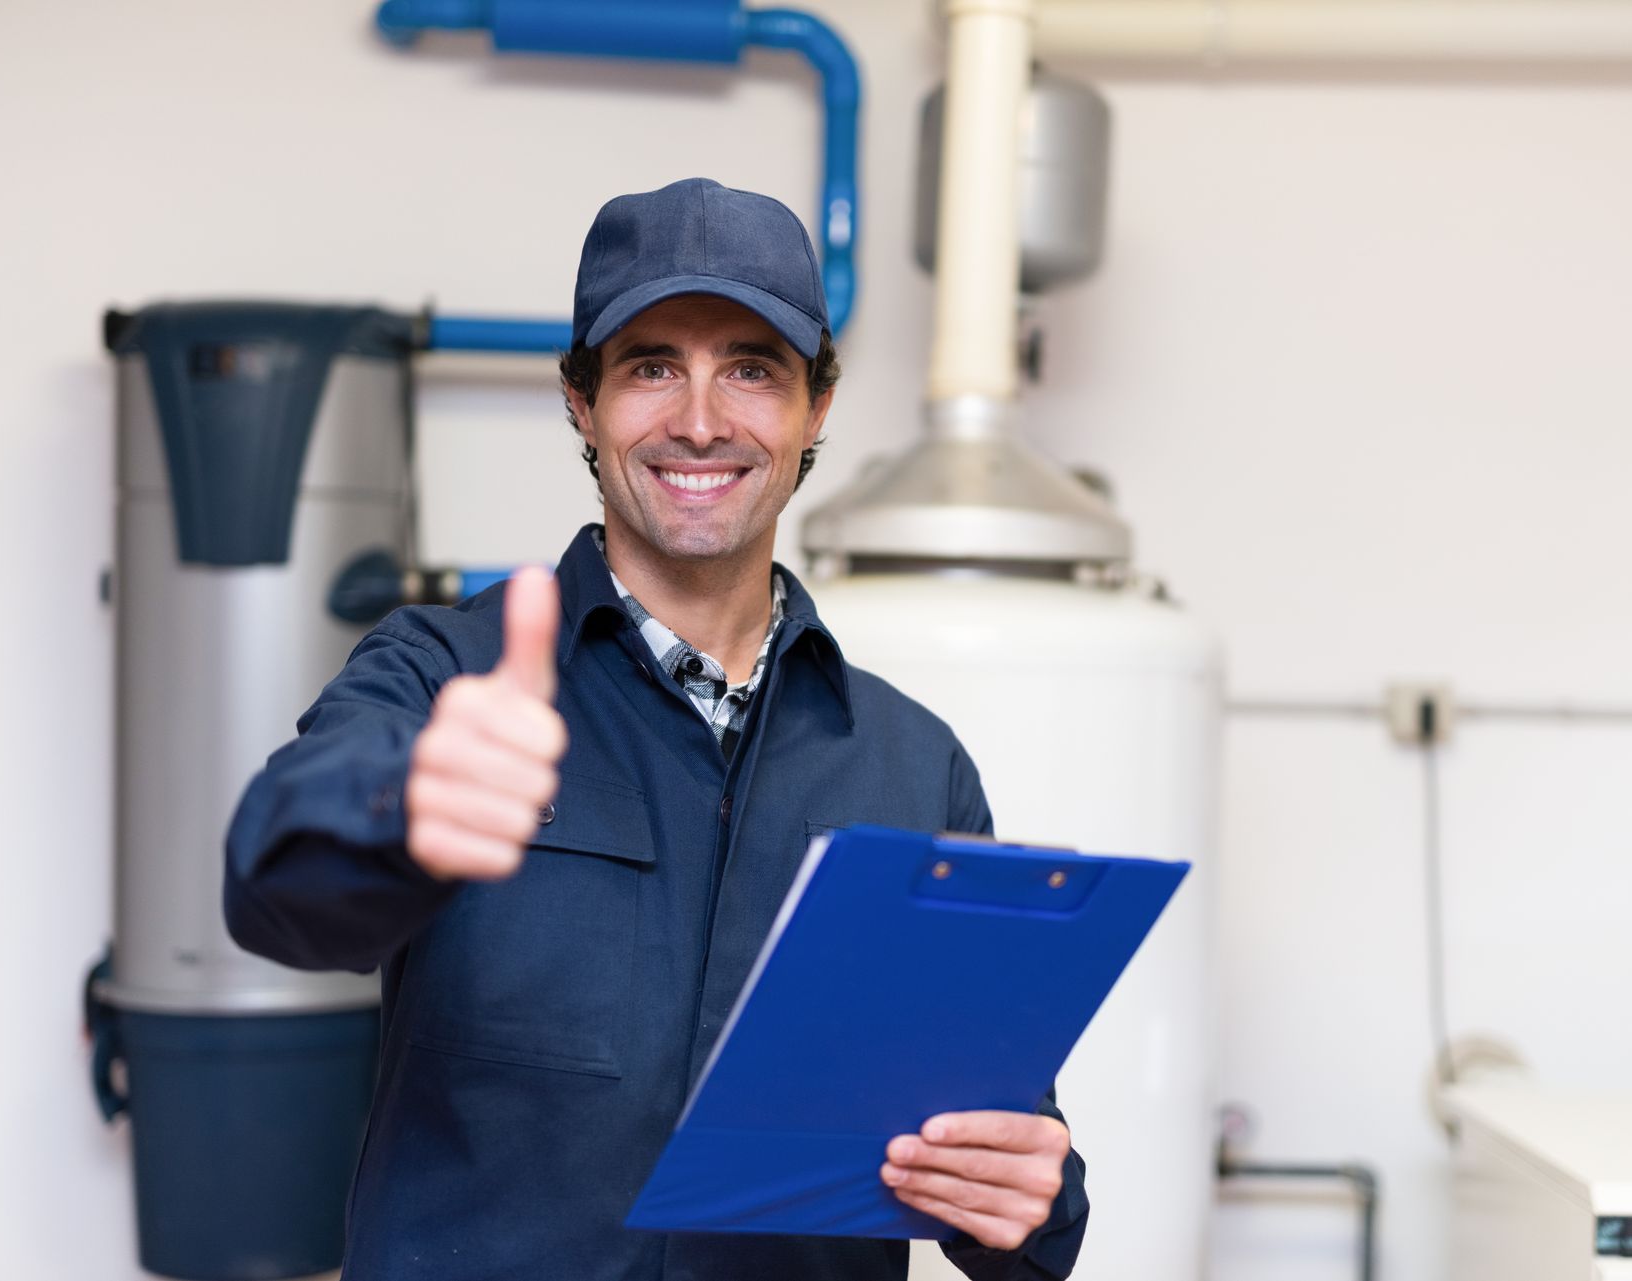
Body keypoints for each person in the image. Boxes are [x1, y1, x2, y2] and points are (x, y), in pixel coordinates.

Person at [224, 177, 1089, 1280]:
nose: (698, 419)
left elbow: (1017, 1189)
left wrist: (1026, 1199)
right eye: (649, 366)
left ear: (816, 408)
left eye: (751, 368)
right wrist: (400, 805)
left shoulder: (915, 769)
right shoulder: (446, 680)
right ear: (580, 401)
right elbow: (275, 888)